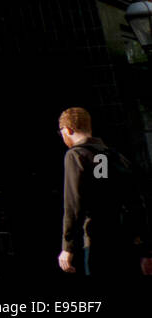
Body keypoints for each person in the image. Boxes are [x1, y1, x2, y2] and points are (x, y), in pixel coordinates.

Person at [58, 107, 140, 276]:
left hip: (97, 240)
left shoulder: (76, 155)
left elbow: (74, 204)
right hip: (125, 238)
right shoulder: (114, 156)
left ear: (68, 130)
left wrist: (68, 246)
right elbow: (136, 201)